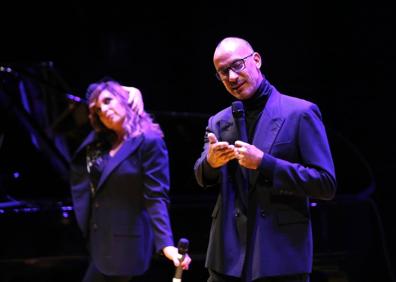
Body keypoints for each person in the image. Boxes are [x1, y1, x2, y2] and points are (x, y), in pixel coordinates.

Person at [194, 37, 336, 282]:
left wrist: (265, 163)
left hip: (279, 258)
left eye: (237, 65)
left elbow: (325, 184)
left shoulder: (300, 113)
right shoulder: (218, 121)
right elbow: (201, 174)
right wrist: (211, 164)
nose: (232, 77)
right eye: (222, 72)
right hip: (226, 258)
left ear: (256, 60)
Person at [70, 79, 191, 282]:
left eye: (109, 101)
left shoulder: (149, 141)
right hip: (101, 244)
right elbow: (91, 91)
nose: (104, 110)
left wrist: (166, 244)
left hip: (126, 248)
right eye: (98, 109)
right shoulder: (103, 141)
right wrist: (128, 90)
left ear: (123, 100)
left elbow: (156, 196)